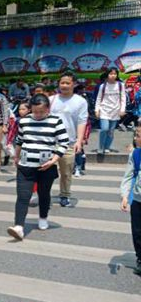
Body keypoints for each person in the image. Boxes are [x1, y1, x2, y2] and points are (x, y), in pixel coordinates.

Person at [7, 94, 69, 241]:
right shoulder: (24, 121)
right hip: (26, 165)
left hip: (46, 167)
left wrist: (53, 160)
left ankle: (43, 217)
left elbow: (64, 142)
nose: (38, 115)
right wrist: (16, 157)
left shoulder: (56, 121)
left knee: (43, 193)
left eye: (42, 111)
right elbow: (20, 140)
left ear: (48, 108)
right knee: (23, 196)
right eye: (35, 111)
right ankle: (19, 227)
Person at [49, 72, 89, 207]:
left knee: (66, 173)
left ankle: (65, 195)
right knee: (45, 171)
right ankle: (43, 194)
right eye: (62, 83)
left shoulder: (80, 101)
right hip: (50, 143)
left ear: (74, 84)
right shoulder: (51, 100)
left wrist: (79, 141)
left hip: (68, 143)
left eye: (67, 83)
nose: (64, 85)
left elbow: (82, 121)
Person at [120, 123, 141, 275]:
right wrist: (125, 196)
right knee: (137, 231)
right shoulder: (135, 154)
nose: (135, 138)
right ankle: (140, 257)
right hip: (138, 200)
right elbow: (128, 176)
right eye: (136, 135)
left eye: (138, 135)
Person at [95, 67, 126, 154]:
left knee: (111, 131)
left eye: (115, 74)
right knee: (104, 129)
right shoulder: (103, 86)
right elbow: (99, 98)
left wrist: (122, 110)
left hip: (115, 111)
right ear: (107, 75)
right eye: (111, 74)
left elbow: (123, 98)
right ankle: (101, 147)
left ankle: (107, 147)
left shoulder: (120, 85)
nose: (113, 76)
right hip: (104, 110)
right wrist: (97, 110)